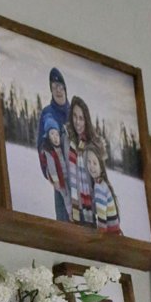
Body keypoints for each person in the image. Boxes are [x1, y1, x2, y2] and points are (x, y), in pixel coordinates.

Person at [36, 68, 69, 220]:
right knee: (63, 221)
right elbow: (40, 145)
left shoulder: (73, 112)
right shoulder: (47, 113)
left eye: (60, 86)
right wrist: (48, 172)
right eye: (54, 87)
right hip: (59, 177)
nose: (58, 90)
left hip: (78, 179)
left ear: (65, 88)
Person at [65, 97, 97, 226]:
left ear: (86, 120)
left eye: (81, 118)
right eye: (74, 116)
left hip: (92, 210)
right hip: (74, 208)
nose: (77, 122)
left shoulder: (92, 145)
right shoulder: (66, 140)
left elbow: (99, 179)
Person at [38, 115, 69, 221]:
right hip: (59, 181)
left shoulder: (61, 148)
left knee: (67, 198)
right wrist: (56, 181)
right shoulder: (49, 151)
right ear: (48, 136)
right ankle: (65, 219)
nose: (55, 137)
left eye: (57, 134)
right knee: (63, 199)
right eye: (52, 134)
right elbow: (51, 167)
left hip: (66, 179)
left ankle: (69, 217)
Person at [84, 142, 120, 234]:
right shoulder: (102, 182)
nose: (91, 166)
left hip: (110, 236)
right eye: (89, 161)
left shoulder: (99, 187)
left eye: (95, 163)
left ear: (101, 166)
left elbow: (102, 222)